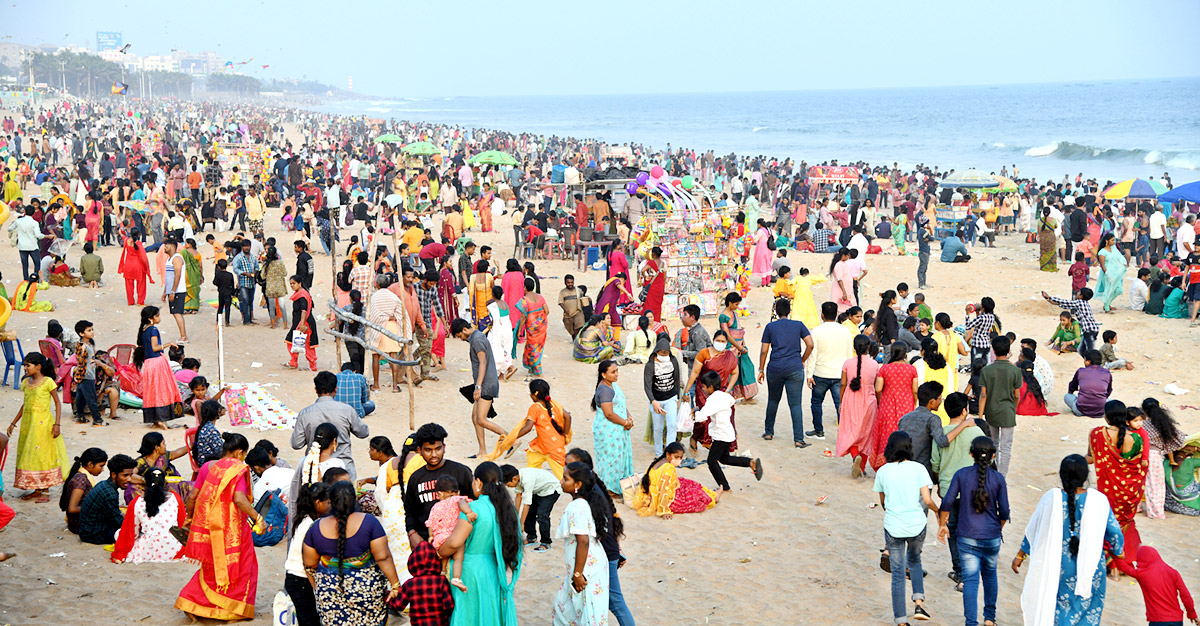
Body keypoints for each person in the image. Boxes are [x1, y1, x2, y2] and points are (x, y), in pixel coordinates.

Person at [1013, 454, 1124, 626]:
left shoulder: (1051, 498)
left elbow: (1035, 530)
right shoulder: (1099, 500)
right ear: (1086, 476)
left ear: (1061, 475)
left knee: (1060, 611)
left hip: (1059, 567)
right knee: (1088, 611)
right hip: (1091, 568)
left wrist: (1020, 556)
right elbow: (1114, 532)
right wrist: (1119, 552)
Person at [175, 433, 262, 621]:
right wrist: (257, 517)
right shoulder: (238, 468)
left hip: (207, 528)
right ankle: (231, 609)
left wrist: (190, 519)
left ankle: (193, 602)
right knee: (242, 566)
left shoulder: (207, 467)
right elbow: (239, 499)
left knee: (211, 567)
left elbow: (192, 496)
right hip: (232, 530)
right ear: (240, 453)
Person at [302, 481, 402, 625]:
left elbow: (310, 564)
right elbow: (383, 557)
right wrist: (395, 585)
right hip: (367, 593)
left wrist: (320, 588)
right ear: (355, 499)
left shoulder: (315, 528)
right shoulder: (370, 522)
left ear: (330, 501)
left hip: (330, 593)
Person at [435, 462, 523, 626]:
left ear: (479, 482)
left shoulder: (473, 508)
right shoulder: (506, 509)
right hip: (493, 569)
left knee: (468, 615)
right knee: (488, 614)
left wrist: (439, 552)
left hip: (468, 571)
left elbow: (455, 543)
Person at [937, 435, 1009, 626]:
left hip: (967, 536)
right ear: (993, 455)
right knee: (990, 575)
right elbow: (1005, 511)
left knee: (970, 581)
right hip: (992, 536)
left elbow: (947, 502)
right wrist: (998, 528)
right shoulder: (998, 478)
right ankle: (989, 618)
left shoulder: (961, 474)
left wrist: (942, 523)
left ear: (971, 454)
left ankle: (971, 622)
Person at [563, 448, 634, 625]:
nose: (565, 469)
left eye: (570, 465)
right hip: (608, 551)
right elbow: (611, 519)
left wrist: (578, 572)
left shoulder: (589, 495)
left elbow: (587, 537)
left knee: (616, 603)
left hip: (603, 554)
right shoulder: (592, 489)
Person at [873, 431, 938, 625]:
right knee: (915, 560)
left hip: (893, 526)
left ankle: (901, 620)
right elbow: (927, 500)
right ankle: (918, 602)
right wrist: (937, 511)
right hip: (916, 525)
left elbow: (883, 502)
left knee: (898, 573)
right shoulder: (918, 468)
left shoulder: (883, 471)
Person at [1087, 400, 1149, 570]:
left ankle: (1108, 563)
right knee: (1124, 523)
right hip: (1128, 493)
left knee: (1106, 522)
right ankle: (1122, 562)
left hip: (1108, 491)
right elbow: (1139, 467)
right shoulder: (1135, 438)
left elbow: (1091, 458)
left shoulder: (1096, 433)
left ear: (1106, 417)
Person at [553, 462, 613, 626]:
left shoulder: (577, 506)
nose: (561, 481)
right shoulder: (586, 502)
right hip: (586, 565)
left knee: (588, 616)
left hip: (586, 569)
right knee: (564, 608)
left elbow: (583, 540)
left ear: (577, 485)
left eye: (565, 479)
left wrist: (578, 574)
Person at [8, 352, 68, 501]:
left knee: (42, 454)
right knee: (30, 454)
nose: (25, 368)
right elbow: (25, 404)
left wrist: (57, 424)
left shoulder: (48, 382)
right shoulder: (26, 383)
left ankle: (45, 491)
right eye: (25, 365)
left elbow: (57, 403)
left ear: (38, 366)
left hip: (43, 425)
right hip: (28, 425)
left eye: (28, 365)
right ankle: (36, 489)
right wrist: (13, 423)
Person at [291, 371, 370, 483]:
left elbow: (296, 444)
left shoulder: (305, 413)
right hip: (343, 472)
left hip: (315, 471)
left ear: (316, 390)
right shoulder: (346, 410)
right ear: (336, 389)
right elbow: (363, 433)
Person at [403, 422, 475, 545]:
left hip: (460, 542)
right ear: (419, 450)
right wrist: (412, 534)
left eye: (438, 449)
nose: (434, 455)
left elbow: (474, 504)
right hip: (427, 543)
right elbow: (410, 512)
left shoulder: (461, 472)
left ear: (444, 447)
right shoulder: (415, 478)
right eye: (428, 450)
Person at [694, 370, 763, 492]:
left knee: (712, 461)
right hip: (728, 433)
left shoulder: (712, 400)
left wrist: (695, 412)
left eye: (704, 387)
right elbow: (731, 401)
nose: (703, 389)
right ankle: (750, 463)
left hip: (720, 435)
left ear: (710, 387)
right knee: (724, 459)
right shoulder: (725, 396)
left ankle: (725, 487)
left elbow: (701, 417)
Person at [757, 298, 814, 444]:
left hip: (775, 367)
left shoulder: (770, 327)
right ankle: (798, 439)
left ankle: (769, 432)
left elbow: (764, 350)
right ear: (790, 311)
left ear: (776, 311)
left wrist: (761, 369)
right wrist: (802, 359)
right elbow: (810, 344)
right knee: (795, 404)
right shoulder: (798, 325)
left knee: (773, 400)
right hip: (794, 367)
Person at [451, 318, 508, 458]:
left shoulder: (477, 340)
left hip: (486, 385)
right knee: (475, 417)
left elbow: (482, 363)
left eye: (460, 336)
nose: (461, 339)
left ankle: (511, 438)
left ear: (464, 330)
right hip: (484, 383)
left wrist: (478, 387)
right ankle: (482, 451)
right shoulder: (477, 337)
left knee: (481, 419)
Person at [110, 467, 186, 563]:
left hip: (148, 549)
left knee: (118, 533)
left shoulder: (137, 502)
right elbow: (182, 525)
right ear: (165, 483)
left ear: (145, 483)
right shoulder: (175, 498)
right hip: (173, 547)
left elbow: (133, 533)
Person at [1112, 546, 1199, 626]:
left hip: (1157, 621)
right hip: (1176, 620)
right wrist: (1192, 613)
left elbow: (1125, 568)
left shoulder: (1141, 574)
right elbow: (1185, 595)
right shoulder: (1173, 572)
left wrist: (1114, 554)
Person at [807, 301, 854, 440]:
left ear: (822, 315)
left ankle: (818, 430)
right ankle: (845, 433)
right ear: (837, 314)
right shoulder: (845, 330)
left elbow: (812, 354)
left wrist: (809, 374)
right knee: (840, 404)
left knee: (816, 402)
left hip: (820, 372)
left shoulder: (816, 331)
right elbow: (849, 354)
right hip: (840, 373)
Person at [632, 441, 718, 518]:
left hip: (654, 493)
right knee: (696, 496)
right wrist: (664, 510)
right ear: (668, 454)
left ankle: (713, 493)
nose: (679, 460)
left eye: (680, 458)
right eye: (676, 457)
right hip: (665, 498)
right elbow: (663, 490)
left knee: (689, 483)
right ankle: (714, 496)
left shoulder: (658, 462)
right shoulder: (669, 468)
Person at [286, 482, 331, 626]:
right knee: (309, 620)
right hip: (300, 579)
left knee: (308, 617)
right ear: (318, 503)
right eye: (328, 502)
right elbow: (307, 564)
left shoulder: (304, 520)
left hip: (295, 578)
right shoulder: (310, 525)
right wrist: (317, 588)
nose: (330, 506)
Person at [423, 475, 477, 592]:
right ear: (457, 491)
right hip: (452, 535)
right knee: (458, 557)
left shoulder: (435, 506)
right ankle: (457, 578)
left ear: (440, 494)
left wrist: (431, 536)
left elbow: (430, 523)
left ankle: (443, 571)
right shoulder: (457, 499)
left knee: (444, 555)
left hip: (439, 539)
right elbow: (463, 504)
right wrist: (468, 513)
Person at [870, 343, 918, 471]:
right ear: (905, 354)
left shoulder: (885, 368)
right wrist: (914, 402)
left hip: (887, 405)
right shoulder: (911, 369)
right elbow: (915, 390)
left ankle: (885, 463)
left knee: (887, 432)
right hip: (906, 405)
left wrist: (881, 401)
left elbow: (878, 388)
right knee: (904, 432)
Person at [977, 336, 1022, 475]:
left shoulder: (987, 370)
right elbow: (1016, 395)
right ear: (1008, 350)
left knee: (993, 443)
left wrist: (980, 415)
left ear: (994, 351)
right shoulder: (1015, 370)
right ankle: (1002, 475)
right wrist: (1013, 408)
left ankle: (993, 471)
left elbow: (983, 395)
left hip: (991, 411)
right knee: (1006, 447)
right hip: (1008, 410)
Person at [837, 335, 880, 477]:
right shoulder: (874, 364)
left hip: (851, 399)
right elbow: (876, 385)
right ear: (868, 347)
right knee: (866, 434)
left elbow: (843, 384)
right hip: (869, 400)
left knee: (850, 432)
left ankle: (855, 456)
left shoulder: (847, 363)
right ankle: (861, 468)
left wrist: (841, 401)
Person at [590, 359, 635, 496]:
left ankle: (619, 486)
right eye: (613, 372)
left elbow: (620, 404)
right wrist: (624, 423)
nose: (617, 374)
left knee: (619, 457)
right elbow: (609, 413)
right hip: (609, 430)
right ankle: (610, 489)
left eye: (617, 371)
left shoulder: (612, 386)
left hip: (619, 427)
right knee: (611, 459)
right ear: (604, 375)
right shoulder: (604, 390)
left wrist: (629, 417)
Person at [135, 306, 183, 428]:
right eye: (157, 315)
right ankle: (162, 418)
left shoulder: (144, 330)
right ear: (151, 318)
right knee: (162, 390)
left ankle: (155, 419)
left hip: (149, 363)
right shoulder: (153, 330)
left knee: (152, 391)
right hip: (157, 362)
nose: (159, 318)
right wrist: (169, 344)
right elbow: (155, 347)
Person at [389, 541, 455, 626]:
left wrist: (387, 596)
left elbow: (398, 605)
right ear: (435, 561)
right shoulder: (441, 581)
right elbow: (448, 606)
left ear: (412, 562)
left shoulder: (409, 585)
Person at [1141, 398, 1187, 520]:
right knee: (1156, 486)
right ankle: (1156, 513)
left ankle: (1137, 507)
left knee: (1139, 483)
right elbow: (1180, 438)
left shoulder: (1143, 425)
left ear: (1144, 411)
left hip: (1140, 455)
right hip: (1155, 456)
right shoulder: (1163, 424)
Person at [501, 463, 562, 552]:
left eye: (508, 485)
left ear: (514, 479)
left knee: (542, 515)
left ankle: (546, 542)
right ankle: (531, 537)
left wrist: (521, 524)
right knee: (530, 513)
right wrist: (516, 518)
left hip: (551, 490)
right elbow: (518, 497)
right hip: (538, 491)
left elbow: (527, 504)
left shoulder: (527, 480)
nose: (508, 487)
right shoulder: (518, 478)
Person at [78, 454, 137, 545]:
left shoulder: (104, 484)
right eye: (125, 475)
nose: (129, 479)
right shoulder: (110, 493)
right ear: (114, 475)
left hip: (88, 529)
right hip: (93, 535)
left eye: (130, 475)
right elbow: (118, 521)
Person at [641, 335, 682, 457]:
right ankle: (659, 454)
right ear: (656, 351)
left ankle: (670, 453)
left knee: (672, 425)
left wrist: (677, 397)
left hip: (670, 398)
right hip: (657, 400)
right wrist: (653, 401)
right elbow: (647, 386)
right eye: (662, 352)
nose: (664, 355)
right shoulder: (650, 365)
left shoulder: (673, 361)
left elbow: (676, 379)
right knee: (658, 428)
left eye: (666, 353)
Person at [718, 292, 758, 400]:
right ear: (730, 303)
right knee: (731, 371)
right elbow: (727, 334)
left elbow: (739, 330)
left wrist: (743, 345)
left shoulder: (735, 313)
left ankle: (747, 392)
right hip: (730, 347)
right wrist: (738, 347)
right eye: (736, 304)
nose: (737, 307)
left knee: (746, 367)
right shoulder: (723, 316)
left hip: (740, 345)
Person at [61, 447, 108, 534]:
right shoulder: (81, 480)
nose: (102, 469)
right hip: (79, 524)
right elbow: (72, 508)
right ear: (90, 464)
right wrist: (97, 509)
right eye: (101, 466)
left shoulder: (83, 477)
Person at [1042, 288, 1100, 355]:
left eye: (1079, 292)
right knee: (1081, 350)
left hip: (1090, 329)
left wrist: (1049, 297)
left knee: (1090, 350)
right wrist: (1049, 300)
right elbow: (1063, 305)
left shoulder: (1080, 303)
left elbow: (1065, 302)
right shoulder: (1081, 304)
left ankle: (1094, 363)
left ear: (1081, 296)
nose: (1077, 293)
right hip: (1088, 330)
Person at [514, 277, 549, 376]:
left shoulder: (524, 300)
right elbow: (547, 311)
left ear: (524, 287)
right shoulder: (540, 297)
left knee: (532, 348)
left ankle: (538, 370)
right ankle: (532, 368)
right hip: (542, 327)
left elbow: (523, 317)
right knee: (537, 347)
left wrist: (519, 331)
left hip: (531, 329)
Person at [1064, 350, 1112, 419]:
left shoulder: (1081, 371)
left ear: (1088, 362)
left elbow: (1071, 388)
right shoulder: (1107, 373)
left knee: (1067, 396)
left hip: (1080, 410)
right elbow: (1108, 391)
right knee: (1111, 401)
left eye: (1084, 359)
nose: (1084, 361)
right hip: (1100, 411)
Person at [285, 275, 319, 371]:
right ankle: (294, 362)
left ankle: (312, 365)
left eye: (294, 283)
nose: (292, 286)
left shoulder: (302, 296)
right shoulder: (299, 294)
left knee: (307, 344)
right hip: (299, 323)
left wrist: (302, 324)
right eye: (291, 284)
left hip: (305, 323)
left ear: (299, 284)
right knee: (292, 341)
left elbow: (304, 311)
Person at [118, 231, 154, 305]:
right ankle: (140, 301)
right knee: (141, 285)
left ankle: (130, 301)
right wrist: (147, 268)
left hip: (128, 265)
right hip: (138, 266)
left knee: (129, 285)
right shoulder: (139, 243)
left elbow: (124, 237)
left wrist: (121, 233)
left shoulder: (126, 241)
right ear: (139, 235)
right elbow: (143, 257)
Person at [1094, 233, 1127, 313]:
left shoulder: (1114, 249)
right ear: (1106, 241)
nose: (1114, 242)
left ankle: (1107, 304)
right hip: (1107, 274)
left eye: (1114, 240)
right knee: (1108, 291)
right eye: (1112, 240)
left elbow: (1120, 258)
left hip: (1116, 274)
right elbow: (1103, 265)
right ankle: (1107, 308)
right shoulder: (1102, 252)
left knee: (1118, 290)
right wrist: (1108, 275)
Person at [640, 246, 667, 322]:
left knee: (649, 305)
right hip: (660, 287)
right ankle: (656, 321)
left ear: (654, 254)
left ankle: (648, 321)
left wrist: (646, 277)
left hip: (652, 287)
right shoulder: (663, 264)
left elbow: (642, 270)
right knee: (658, 306)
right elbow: (664, 277)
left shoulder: (651, 262)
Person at [558, 274, 586, 339]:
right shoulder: (562, 292)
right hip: (568, 314)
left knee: (578, 327)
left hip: (577, 312)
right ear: (565, 283)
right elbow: (560, 302)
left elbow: (583, 297)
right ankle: (575, 340)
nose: (570, 284)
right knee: (571, 330)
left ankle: (577, 341)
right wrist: (565, 309)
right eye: (568, 283)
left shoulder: (578, 290)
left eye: (571, 282)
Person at [1038, 207, 1059, 272]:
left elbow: (1039, 231)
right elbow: (1056, 226)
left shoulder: (1040, 220)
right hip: (1051, 237)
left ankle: (1043, 266)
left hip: (1043, 237)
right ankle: (1052, 266)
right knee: (1052, 251)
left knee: (1043, 251)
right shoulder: (1054, 220)